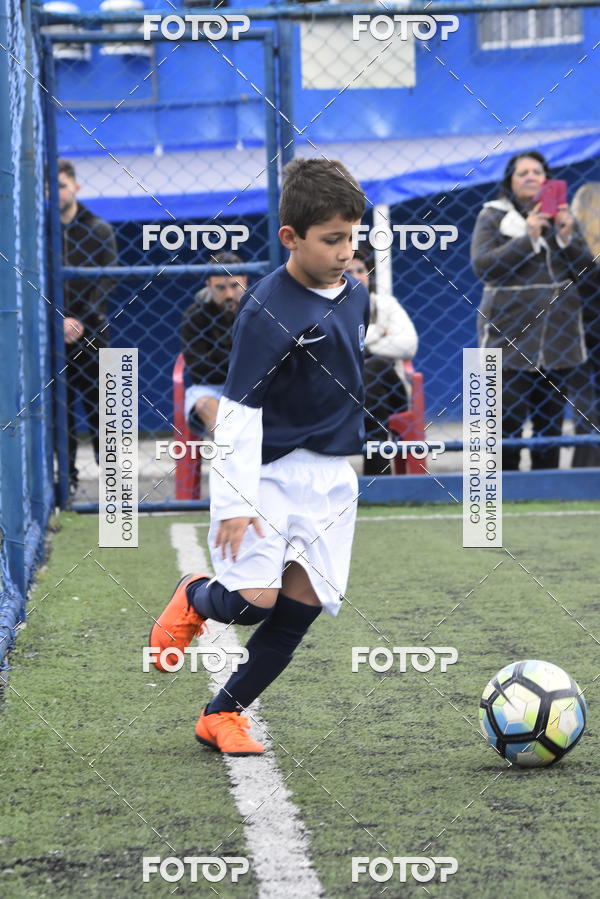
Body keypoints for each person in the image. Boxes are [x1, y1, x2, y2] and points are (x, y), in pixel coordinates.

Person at [148, 158, 369, 755]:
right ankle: (196, 593)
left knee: (302, 606)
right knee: (251, 602)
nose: (346, 250)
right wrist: (235, 504)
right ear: (290, 238)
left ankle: (222, 714)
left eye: (352, 236)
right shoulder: (265, 310)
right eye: (332, 240)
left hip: (331, 478)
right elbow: (239, 413)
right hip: (268, 476)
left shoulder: (357, 294)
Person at [471, 151, 592, 470]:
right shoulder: (493, 215)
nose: (530, 177)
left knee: (550, 422)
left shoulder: (563, 218)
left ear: (548, 181)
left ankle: (546, 482)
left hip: (558, 337)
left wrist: (566, 236)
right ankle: (507, 480)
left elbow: (589, 275)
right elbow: (483, 266)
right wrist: (529, 237)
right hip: (509, 335)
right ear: (510, 182)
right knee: (506, 419)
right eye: (521, 172)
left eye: (537, 172)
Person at [58, 158, 118, 494]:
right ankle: (65, 482)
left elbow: (108, 277)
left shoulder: (98, 229)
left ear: (76, 187)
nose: (57, 192)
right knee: (59, 412)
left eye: (63, 185)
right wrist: (58, 319)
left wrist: (81, 319)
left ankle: (113, 481)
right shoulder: (41, 231)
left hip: (92, 333)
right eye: (51, 186)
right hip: (52, 335)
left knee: (102, 408)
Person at [346, 249, 418, 474]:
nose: (356, 276)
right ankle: (378, 473)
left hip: (391, 389)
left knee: (376, 366)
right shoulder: (331, 309)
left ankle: (377, 470)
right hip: (346, 390)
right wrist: (380, 333)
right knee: (371, 370)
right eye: (348, 271)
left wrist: (365, 346)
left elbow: (409, 344)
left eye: (361, 270)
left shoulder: (386, 304)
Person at [180, 251, 248, 437]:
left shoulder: (258, 310)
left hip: (252, 385)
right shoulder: (195, 314)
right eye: (220, 288)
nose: (229, 294)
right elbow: (198, 369)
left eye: (235, 286)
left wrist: (220, 356)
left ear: (245, 280)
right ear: (208, 285)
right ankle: (231, 452)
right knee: (204, 403)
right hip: (212, 386)